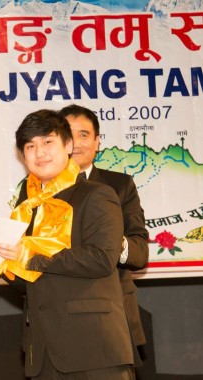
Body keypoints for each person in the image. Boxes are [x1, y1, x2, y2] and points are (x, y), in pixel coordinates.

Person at [0, 109, 135, 379]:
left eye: (48, 142)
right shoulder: (27, 208)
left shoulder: (97, 195)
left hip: (93, 347)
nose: (40, 153)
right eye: (30, 146)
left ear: (68, 145)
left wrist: (30, 256)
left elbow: (102, 259)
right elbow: (33, 277)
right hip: (43, 351)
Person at [59, 104, 149, 356]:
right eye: (68, 134)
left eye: (84, 135)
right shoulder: (35, 188)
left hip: (112, 317)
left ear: (97, 142)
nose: (76, 143)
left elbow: (140, 253)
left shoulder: (119, 185)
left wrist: (111, 242)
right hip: (56, 317)